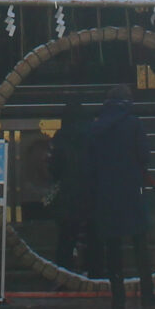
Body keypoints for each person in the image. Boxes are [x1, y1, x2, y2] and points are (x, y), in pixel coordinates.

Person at [86, 84, 155, 309]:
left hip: (106, 193)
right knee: (140, 243)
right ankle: (147, 293)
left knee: (113, 247)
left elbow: (92, 161)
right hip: (131, 190)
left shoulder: (97, 127)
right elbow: (144, 154)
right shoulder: (134, 124)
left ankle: (118, 297)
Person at [50, 96, 93, 274]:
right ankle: (94, 271)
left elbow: (55, 167)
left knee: (66, 236)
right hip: (90, 190)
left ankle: (64, 273)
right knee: (92, 235)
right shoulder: (91, 133)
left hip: (68, 190)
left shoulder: (61, 136)